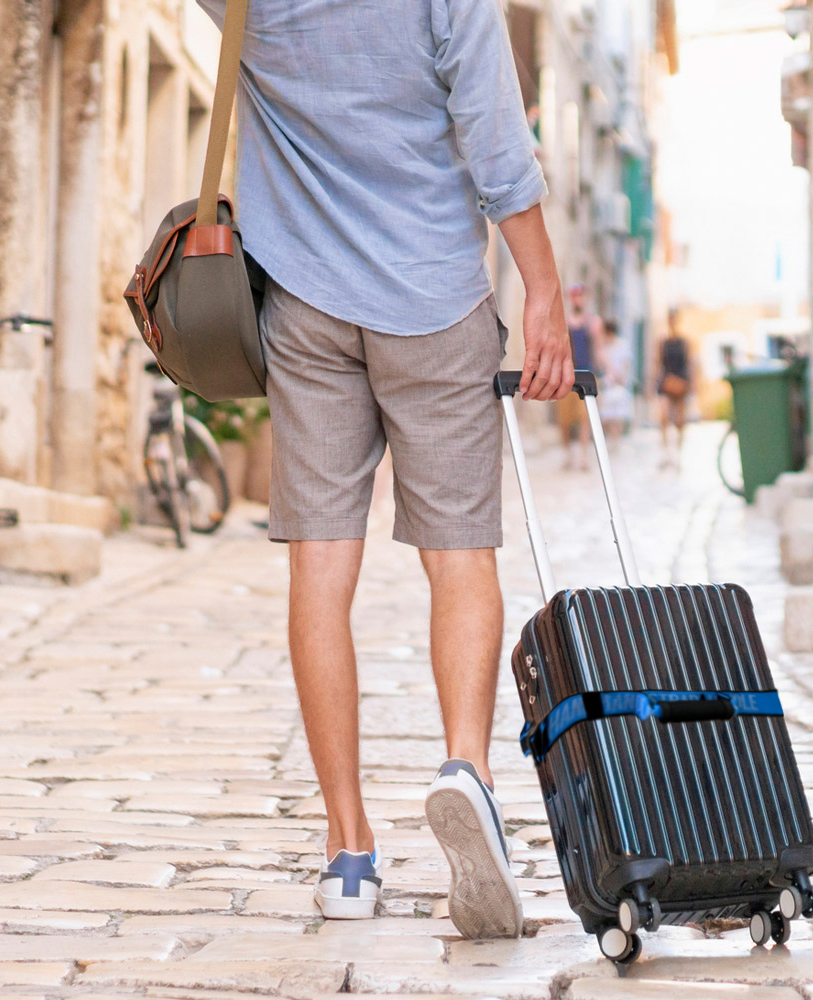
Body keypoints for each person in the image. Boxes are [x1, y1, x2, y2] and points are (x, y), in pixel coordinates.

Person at [196, 0, 575, 939]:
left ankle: (348, 853)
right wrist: (544, 294)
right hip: (435, 296)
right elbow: (494, 139)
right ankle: (465, 772)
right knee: (460, 555)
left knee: (320, 569)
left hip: (306, 301)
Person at [558, 284, 604, 470]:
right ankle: (569, 454)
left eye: (581, 296)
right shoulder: (564, 323)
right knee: (565, 421)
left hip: (586, 375)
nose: (578, 300)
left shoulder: (593, 324)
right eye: (575, 296)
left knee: (585, 417)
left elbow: (599, 350)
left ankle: (584, 457)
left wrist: (608, 372)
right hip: (566, 376)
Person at [657, 311, 692, 467]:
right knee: (664, 417)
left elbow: (690, 363)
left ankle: (678, 452)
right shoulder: (662, 342)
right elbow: (657, 363)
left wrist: (692, 384)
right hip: (666, 381)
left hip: (681, 381)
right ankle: (666, 452)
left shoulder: (684, 342)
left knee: (680, 420)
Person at [597, 319, 632, 449]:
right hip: (607, 384)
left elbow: (626, 364)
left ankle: (616, 440)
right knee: (607, 415)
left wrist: (621, 377)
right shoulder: (604, 348)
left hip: (619, 383)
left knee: (618, 414)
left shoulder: (622, 345)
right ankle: (611, 438)